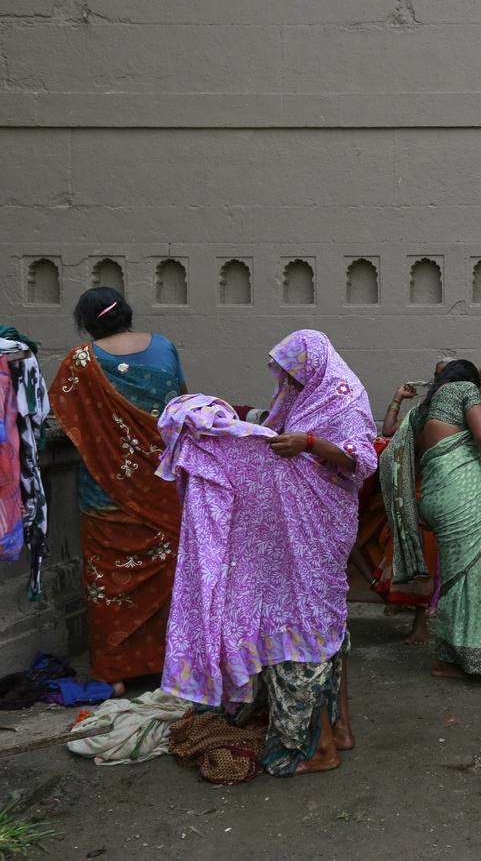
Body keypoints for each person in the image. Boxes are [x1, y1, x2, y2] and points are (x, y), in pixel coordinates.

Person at [159, 329, 375, 776]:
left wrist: (308, 444)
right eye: (285, 377)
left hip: (321, 528)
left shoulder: (344, 399)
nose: (287, 386)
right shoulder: (297, 400)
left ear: (314, 369)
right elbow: (271, 436)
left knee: (308, 630)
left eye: (294, 377)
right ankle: (340, 730)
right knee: (326, 630)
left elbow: (362, 460)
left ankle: (319, 751)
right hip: (294, 534)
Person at [48, 287, 185, 693]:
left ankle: (116, 672)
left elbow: (67, 416)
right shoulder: (164, 347)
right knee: (168, 575)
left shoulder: (80, 362)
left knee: (108, 579)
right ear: (126, 313)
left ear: (87, 322)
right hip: (162, 485)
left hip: (104, 492)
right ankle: (168, 664)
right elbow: (177, 405)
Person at [381, 359, 481, 678]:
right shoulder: (463, 390)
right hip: (460, 497)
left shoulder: (424, 411)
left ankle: (472, 651)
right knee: (467, 579)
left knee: (462, 576)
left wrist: (446, 373)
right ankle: (452, 659)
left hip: (435, 497)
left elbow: (390, 435)